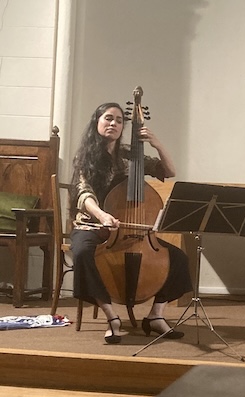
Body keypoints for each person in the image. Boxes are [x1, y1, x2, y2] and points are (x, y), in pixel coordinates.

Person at [69, 102, 193, 344]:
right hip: (92, 225)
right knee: (83, 252)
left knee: (179, 258)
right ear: (97, 122)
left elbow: (169, 171)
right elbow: (84, 193)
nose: (113, 123)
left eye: (118, 120)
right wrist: (102, 215)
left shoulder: (130, 154)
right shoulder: (85, 157)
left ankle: (156, 316)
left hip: (128, 228)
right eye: (108, 118)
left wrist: (157, 144)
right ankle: (111, 316)